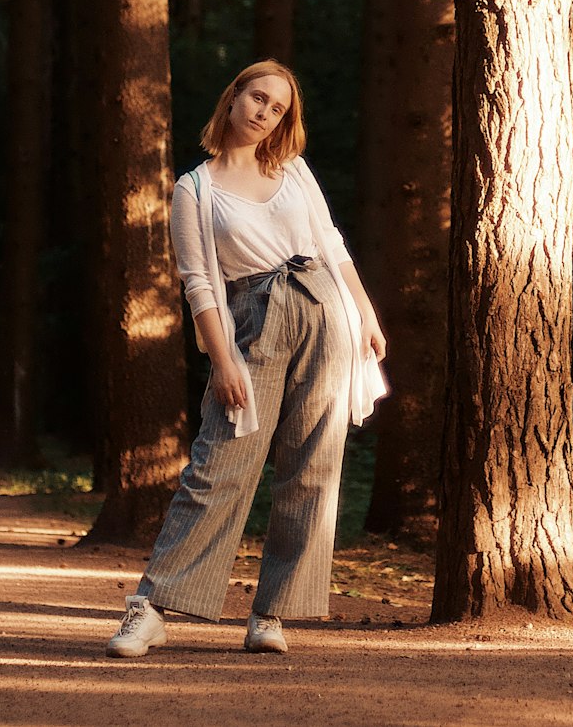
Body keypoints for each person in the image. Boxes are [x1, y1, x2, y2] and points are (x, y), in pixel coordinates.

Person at [105, 60, 387, 659]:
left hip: (324, 311)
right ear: (233, 97)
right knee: (219, 464)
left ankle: (271, 612)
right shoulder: (195, 188)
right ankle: (152, 609)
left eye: (278, 108)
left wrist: (364, 313)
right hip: (252, 320)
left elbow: (330, 242)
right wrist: (223, 357)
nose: (264, 113)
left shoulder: (293, 170)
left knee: (312, 465)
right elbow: (200, 284)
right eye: (257, 98)